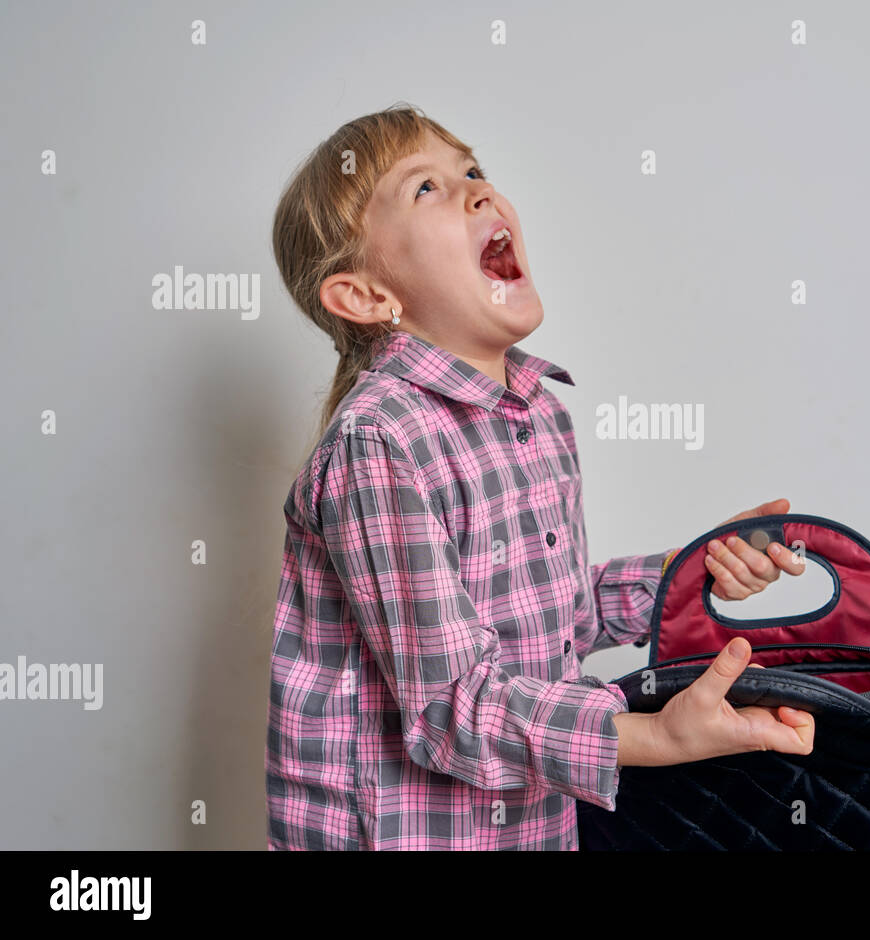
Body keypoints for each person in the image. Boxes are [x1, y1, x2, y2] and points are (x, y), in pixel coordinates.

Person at [265, 103, 814, 850]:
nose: (477, 191)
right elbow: (452, 706)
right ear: (367, 297)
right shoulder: (380, 442)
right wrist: (653, 736)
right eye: (425, 188)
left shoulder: (539, 415)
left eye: (473, 171)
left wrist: (694, 570)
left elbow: (553, 621)